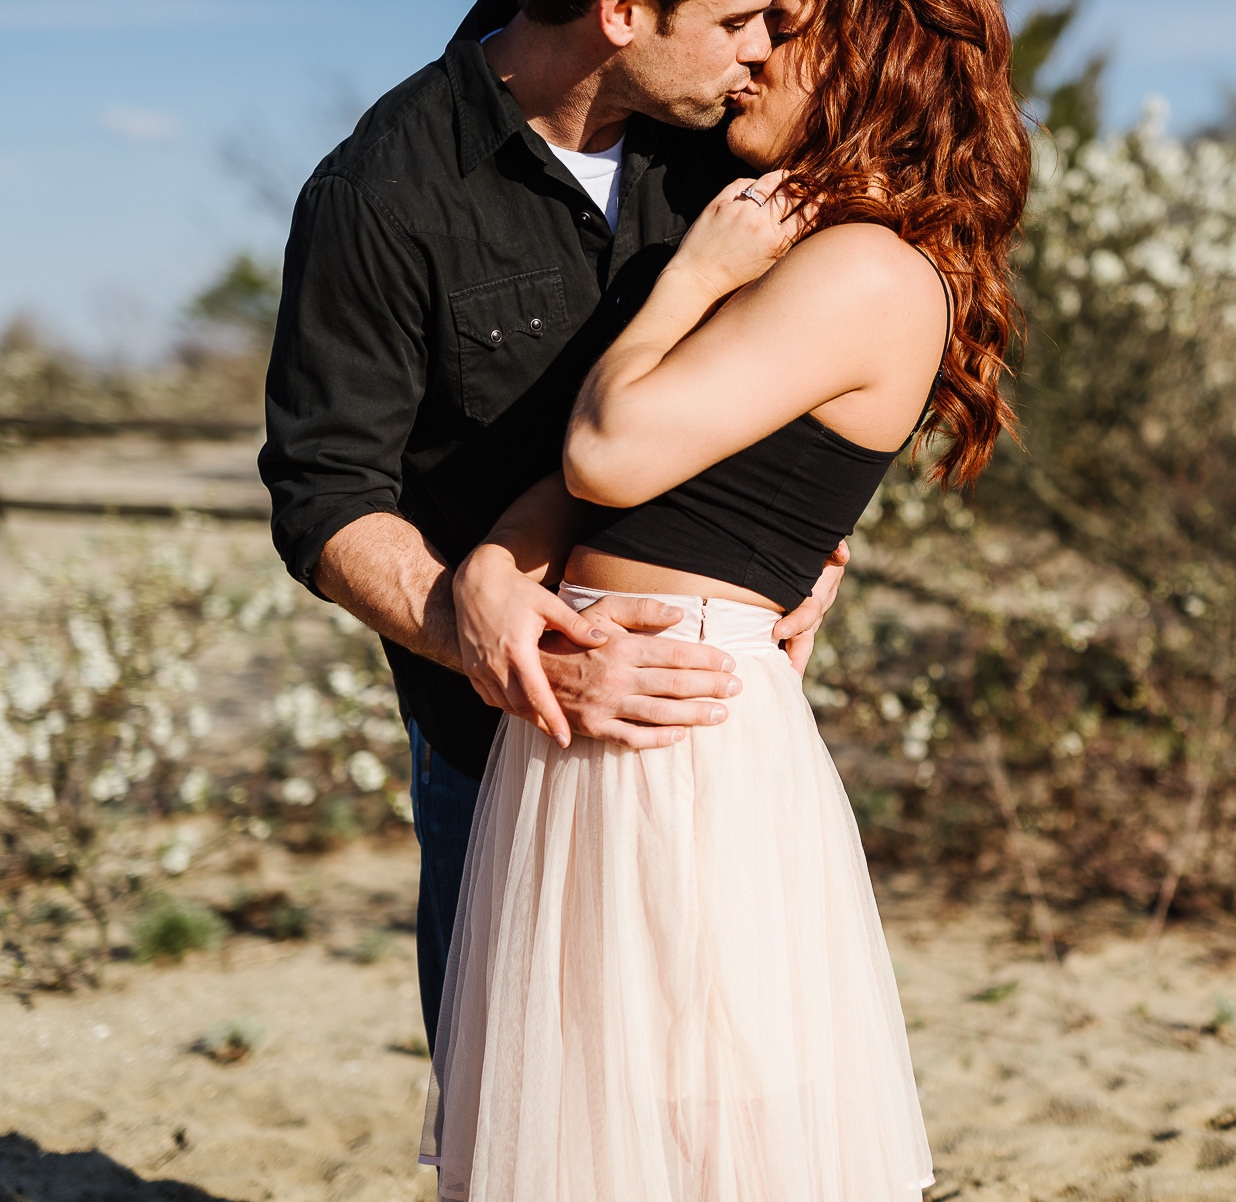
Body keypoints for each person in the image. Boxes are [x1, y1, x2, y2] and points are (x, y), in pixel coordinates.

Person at [421, 0, 1030, 1195]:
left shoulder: (862, 266)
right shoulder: (818, 245)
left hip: (681, 724)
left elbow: (608, 449)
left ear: (867, 62)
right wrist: (497, 556)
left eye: (787, 31)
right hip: (619, 704)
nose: (751, 56)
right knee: (608, 1123)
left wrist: (689, 277)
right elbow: (620, 492)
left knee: (694, 1125)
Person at [257, 0, 851, 1054]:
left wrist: (815, 538)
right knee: (524, 1104)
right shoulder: (382, 189)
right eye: (739, 17)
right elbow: (326, 493)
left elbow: (803, 373)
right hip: (492, 745)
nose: (763, 49)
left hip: (714, 733)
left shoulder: (727, 152)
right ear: (621, 11)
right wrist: (488, 640)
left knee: (716, 1094)